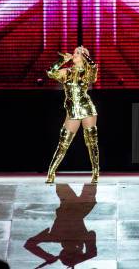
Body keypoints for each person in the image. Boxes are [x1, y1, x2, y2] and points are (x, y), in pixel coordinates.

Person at [45, 46, 99, 183]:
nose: (74, 54)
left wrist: (85, 55)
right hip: (72, 111)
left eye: (78, 53)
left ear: (84, 57)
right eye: (74, 52)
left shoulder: (88, 71)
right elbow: (50, 72)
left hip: (87, 109)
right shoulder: (66, 72)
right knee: (63, 143)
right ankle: (51, 172)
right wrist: (62, 60)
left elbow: (93, 66)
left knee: (91, 142)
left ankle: (96, 172)